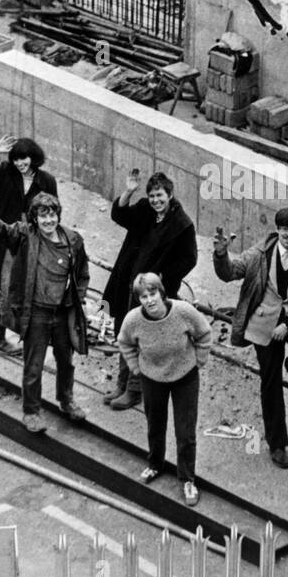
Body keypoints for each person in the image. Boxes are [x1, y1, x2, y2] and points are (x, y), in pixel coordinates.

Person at [0, 174, 89, 433]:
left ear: (58, 216)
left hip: (63, 313)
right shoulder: (24, 236)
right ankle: (31, 411)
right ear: (34, 218)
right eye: (42, 216)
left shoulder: (73, 240)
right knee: (34, 365)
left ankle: (66, 400)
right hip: (37, 314)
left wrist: (78, 299)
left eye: (52, 215)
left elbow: (82, 274)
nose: (48, 220)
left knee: (66, 361)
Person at [213, 208, 288, 469]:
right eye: (284, 230)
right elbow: (230, 272)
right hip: (265, 319)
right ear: (278, 230)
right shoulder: (261, 252)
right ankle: (277, 444)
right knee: (270, 380)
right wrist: (221, 254)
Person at [102, 171, 197, 410]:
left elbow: (189, 259)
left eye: (160, 195)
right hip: (129, 283)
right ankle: (122, 384)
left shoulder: (182, 224)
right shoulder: (145, 210)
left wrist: (164, 278)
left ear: (170, 194)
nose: (156, 200)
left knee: (141, 337)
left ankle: (135, 390)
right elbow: (119, 215)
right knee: (124, 330)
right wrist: (129, 191)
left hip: (153, 292)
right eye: (152, 195)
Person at [117, 273, 212, 507]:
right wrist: (135, 368)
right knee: (155, 425)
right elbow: (124, 342)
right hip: (152, 378)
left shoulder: (183, 311)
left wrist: (199, 360)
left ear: (161, 293)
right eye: (143, 296)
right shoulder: (133, 320)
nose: (149, 300)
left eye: (152, 294)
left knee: (185, 431)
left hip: (185, 377)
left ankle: (187, 479)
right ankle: (154, 464)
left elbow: (204, 333)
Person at [0, 135, 57, 353]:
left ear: (33, 157)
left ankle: (23, 332)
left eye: (24, 158)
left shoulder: (46, 181)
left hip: (34, 241)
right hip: (8, 240)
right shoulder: (6, 173)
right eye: (16, 159)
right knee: (8, 289)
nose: (20, 164)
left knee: (31, 289)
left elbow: (54, 210)